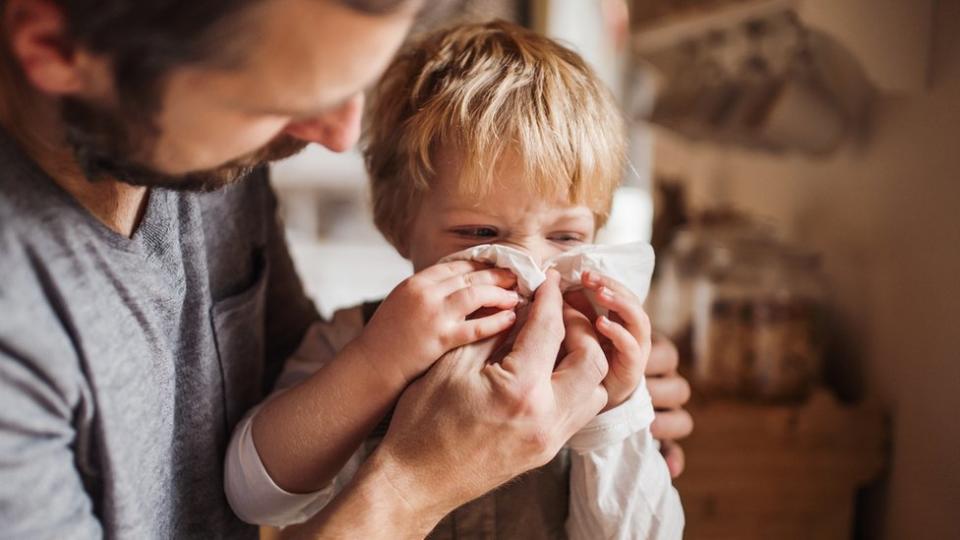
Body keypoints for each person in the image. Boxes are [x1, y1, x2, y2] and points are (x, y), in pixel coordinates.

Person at [0, 0, 692, 538]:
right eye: (277, 99)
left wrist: (620, 413)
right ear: (58, 50)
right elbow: (259, 481)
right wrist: (417, 476)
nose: (336, 136)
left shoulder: (208, 154)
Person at [225, 20, 684, 539]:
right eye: (480, 233)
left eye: (566, 238)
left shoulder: (589, 366)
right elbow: (252, 495)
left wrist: (614, 414)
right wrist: (378, 360)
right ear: (400, 226)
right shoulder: (356, 338)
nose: (528, 270)